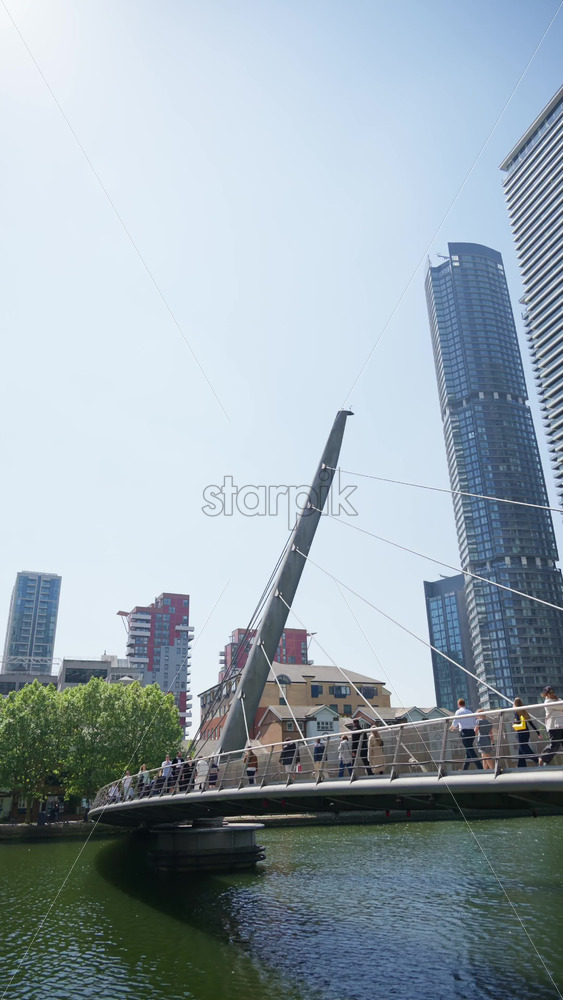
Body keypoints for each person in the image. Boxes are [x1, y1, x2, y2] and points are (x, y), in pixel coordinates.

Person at [450, 699, 483, 770]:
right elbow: (474, 724)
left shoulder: (458, 712)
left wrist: (451, 728)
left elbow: (455, 723)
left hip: (465, 732)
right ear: (464, 704)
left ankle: (480, 767)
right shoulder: (470, 712)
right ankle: (464, 769)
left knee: (470, 750)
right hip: (472, 732)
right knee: (468, 751)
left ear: (458, 705)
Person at [538, 686, 563, 766]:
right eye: (549, 692)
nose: (552, 694)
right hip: (553, 727)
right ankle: (542, 758)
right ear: (546, 694)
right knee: (554, 745)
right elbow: (561, 706)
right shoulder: (548, 702)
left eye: (552, 692)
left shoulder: (558, 700)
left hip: (561, 725)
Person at [512, 697, 539, 767]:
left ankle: (537, 760)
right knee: (521, 749)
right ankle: (521, 765)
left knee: (524, 748)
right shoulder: (524, 711)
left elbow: (517, 721)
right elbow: (530, 722)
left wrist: (513, 722)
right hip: (526, 732)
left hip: (520, 733)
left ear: (514, 704)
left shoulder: (516, 711)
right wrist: (538, 732)